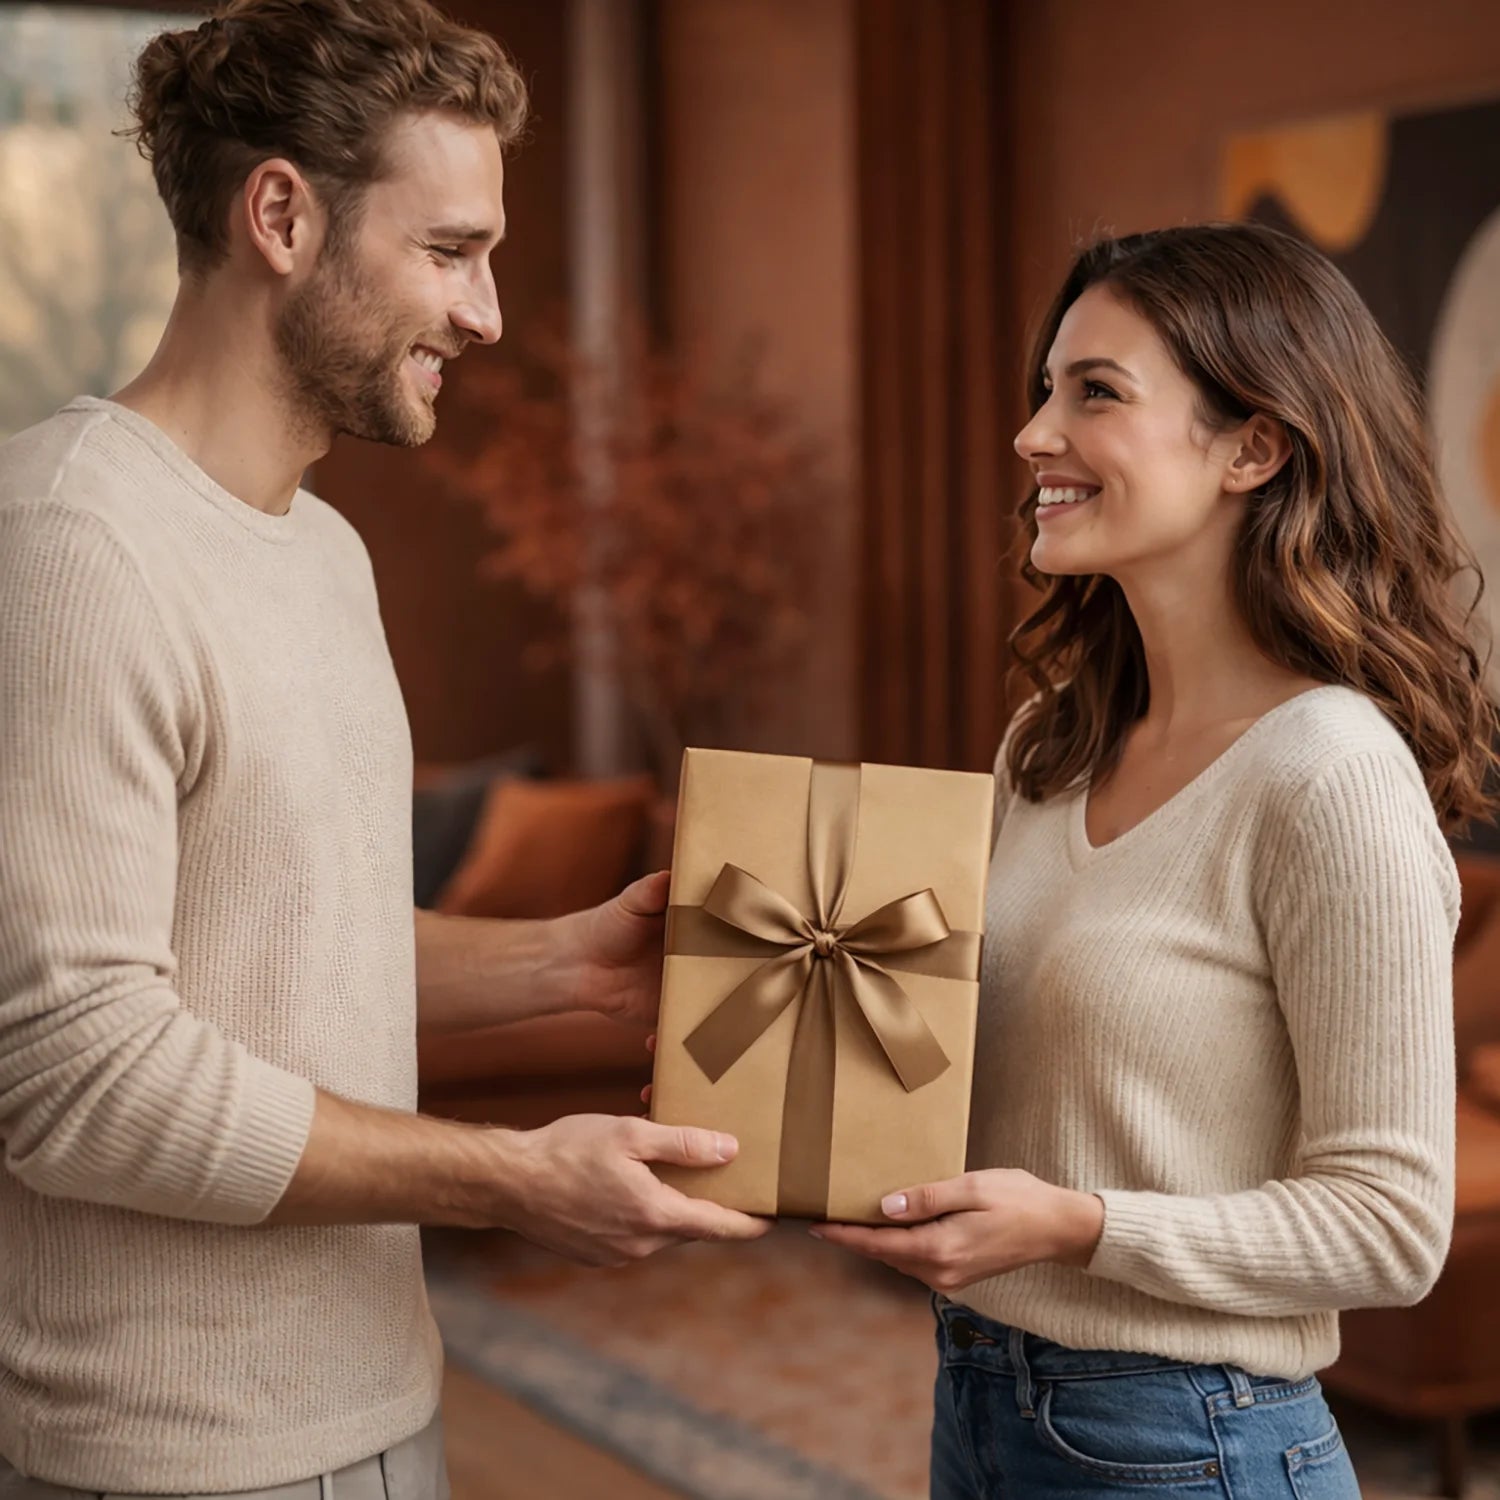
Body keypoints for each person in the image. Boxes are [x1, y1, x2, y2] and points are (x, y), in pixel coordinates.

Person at [0, 2, 768, 1495]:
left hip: (378, 1409)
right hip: (168, 1460)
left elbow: (283, 940)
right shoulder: (71, 542)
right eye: (451, 251)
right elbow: (76, 1076)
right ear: (282, 217)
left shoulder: (324, 551)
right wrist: (510, 1177)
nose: (488, 315)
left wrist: (564, 964)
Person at [815, 222, 1496, 1497]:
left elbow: (1393, 1229)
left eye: (1096, 393)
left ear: (1253, 448)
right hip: (981, 1400)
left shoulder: (1329, 774)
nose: (1033, 434)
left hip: (1194, 1439)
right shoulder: (1050, 744)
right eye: (1045, 390)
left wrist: (1079, 1227)